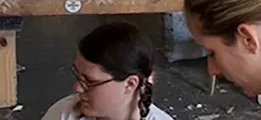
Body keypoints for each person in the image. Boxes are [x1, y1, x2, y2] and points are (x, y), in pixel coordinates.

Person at [42, 22, 172, 120]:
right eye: (78, 76)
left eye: (90, 82)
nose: (77, 88)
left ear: (130, 84)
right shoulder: (63, 114)